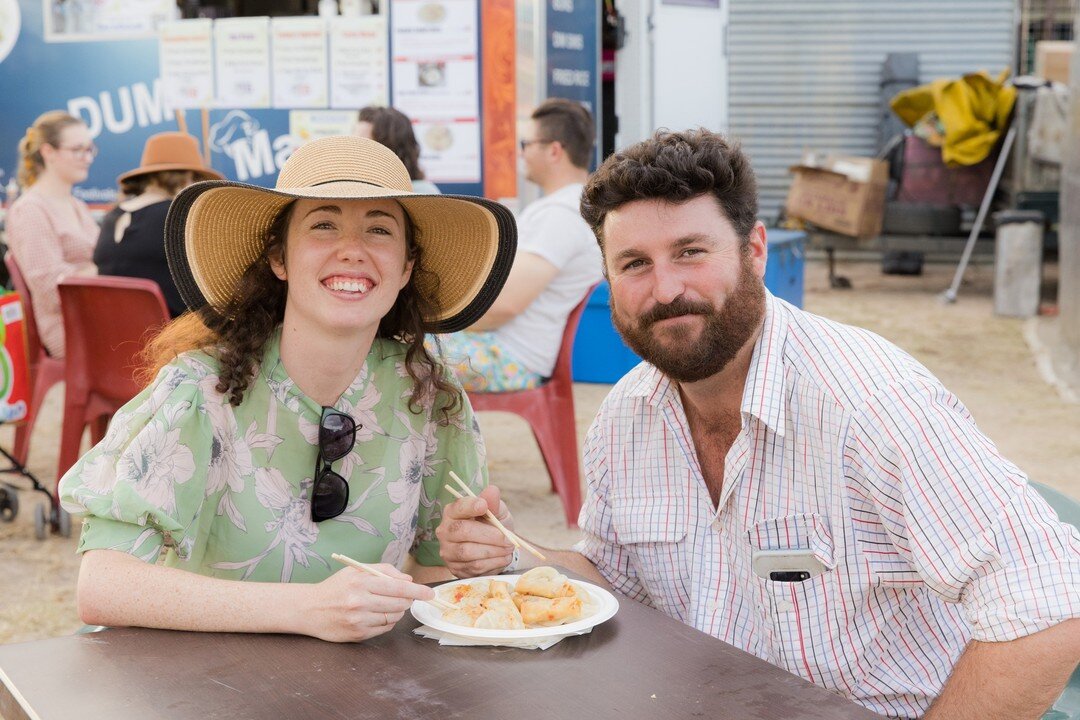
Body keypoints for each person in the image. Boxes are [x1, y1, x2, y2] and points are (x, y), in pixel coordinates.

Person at [436, 129, 1080, 717]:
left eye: (690, 252)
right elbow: (619, 587)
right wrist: (518, 557)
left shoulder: (869, 402)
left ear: (755, 250)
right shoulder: (626, 416)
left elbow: (1052, 608)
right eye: (634, 263)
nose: (665, 290)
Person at [57, 135, 518, 643]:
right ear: (279, 258)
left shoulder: (429, 395)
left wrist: (473, 559)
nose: (352, 250)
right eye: (323, 225)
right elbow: (103, 586)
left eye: (379, 230)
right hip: (194, 679)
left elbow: (436, 583)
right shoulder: (201, 390)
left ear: (406, 267)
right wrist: (307, 610)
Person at [433, 98, 603, 391]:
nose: (521, 153)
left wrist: (434, 321)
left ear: (553, 150)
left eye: (526, 144)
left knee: (393, 347)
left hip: (509, 356)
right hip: (505, 349)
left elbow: (506, 304)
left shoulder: (560, 216)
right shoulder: (570, 208)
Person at [94, 132, 223, 317]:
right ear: (186, 177)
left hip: (112, 337)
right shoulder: (178, 216)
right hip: (173, 339)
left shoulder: (111, 217)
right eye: (196, 178)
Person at [6, 110, 98, 357]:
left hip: (98, 314)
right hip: (69, 329)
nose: (87, 157)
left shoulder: (77, 205)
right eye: (78, 149)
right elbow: (50, 288)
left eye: (90, 149)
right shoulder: (30, 210)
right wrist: (101, 270)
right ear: (48, 152)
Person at [354, 106, 441, 195]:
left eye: (365, 145)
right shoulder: (353, 189)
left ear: (392, 152)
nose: (353, 151)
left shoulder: (422, 194)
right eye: (353, 142)